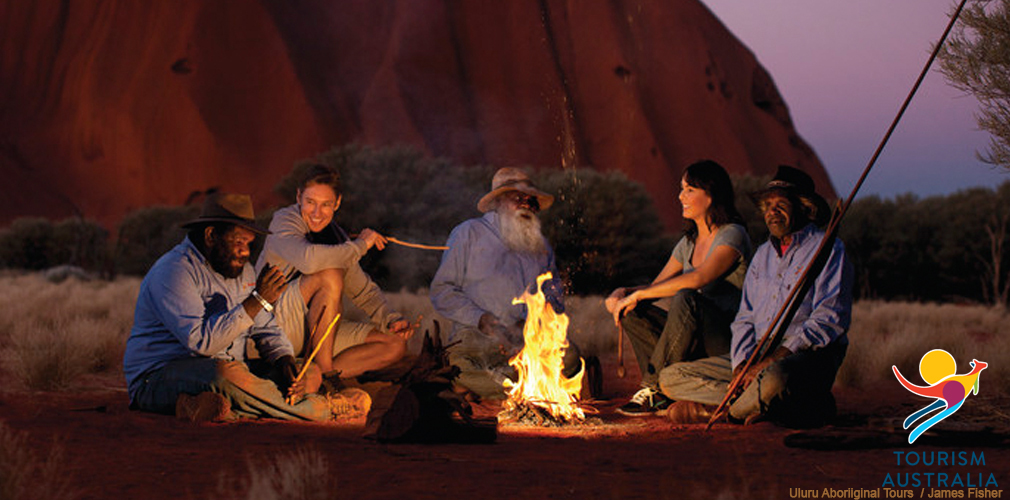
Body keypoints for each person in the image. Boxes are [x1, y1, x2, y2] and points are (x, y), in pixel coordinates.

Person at [660, 166, 853, 427]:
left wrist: (773, 360)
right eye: (768, 205)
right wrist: (741, 365)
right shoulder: (762, 255)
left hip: (803, 356)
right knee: (671, 377)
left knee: (775, 379)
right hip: (758, 353)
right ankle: (772, 406)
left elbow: (829, 319)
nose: (772, 212)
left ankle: (728, 412)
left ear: (805, 208)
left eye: (781, 204)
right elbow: (745, 318)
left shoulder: (827, 249)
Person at [123, 193, 332, 422]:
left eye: (249, 244)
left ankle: (213, 407)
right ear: (211, 235)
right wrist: (257, 300)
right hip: (158, 378)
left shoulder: (242, 269)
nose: (245, 252)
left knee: (309, 372)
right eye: (238, 242)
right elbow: (202, 343)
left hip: (232, 369)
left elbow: (265, 328)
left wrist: (284, 360)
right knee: (225, 376)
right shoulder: (174, 271)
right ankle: (318, 410)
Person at [606, 160, 752, 416]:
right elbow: (658, 287)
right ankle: (661, 392)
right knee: (634, 309)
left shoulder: (733, 235)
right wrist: (627, 293)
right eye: (681, 189)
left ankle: (653, 389)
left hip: (726, 342)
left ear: (711, 195)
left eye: (689, 190)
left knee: (687, 298)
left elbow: (699, 278)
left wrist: (640, 293)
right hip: (693, 338)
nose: (680, 196)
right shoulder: (688, 243)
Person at [430, 167, 584, 399]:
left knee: (571, 356)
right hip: (475, 338)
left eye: (531, 201)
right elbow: (442, 291)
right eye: (518, 198)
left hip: (524, 340)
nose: (527, 205)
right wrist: (483, 320)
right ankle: (522, 387)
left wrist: (537, 325)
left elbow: (554, 296)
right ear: (498, 202)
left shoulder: (540, 245)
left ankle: (498, 386)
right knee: (459, 370)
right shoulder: (468, 233)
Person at [255, 164, 414, 381]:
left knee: (394, 346)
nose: (317, 213)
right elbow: (308, 259)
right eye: (310, 202)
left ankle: (314, 377)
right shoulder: (284, 220)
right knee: (330, 275)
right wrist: (360, 246)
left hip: (314, 333)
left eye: (326, 205)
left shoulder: (336, 237)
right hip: (273, 325)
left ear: (337, 203)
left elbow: (362, 291)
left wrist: (391, 318)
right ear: (299, 196)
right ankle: (327, 374)